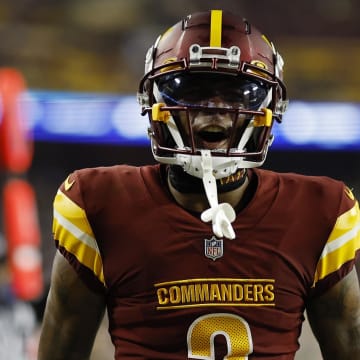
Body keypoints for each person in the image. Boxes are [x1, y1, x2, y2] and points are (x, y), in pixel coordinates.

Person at [37, 9, 360, 360]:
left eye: (238, 93)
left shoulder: (318, 212)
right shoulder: (99, 205)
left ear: (270, 105)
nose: (215, 108)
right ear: (154, 101)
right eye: (191, 89)